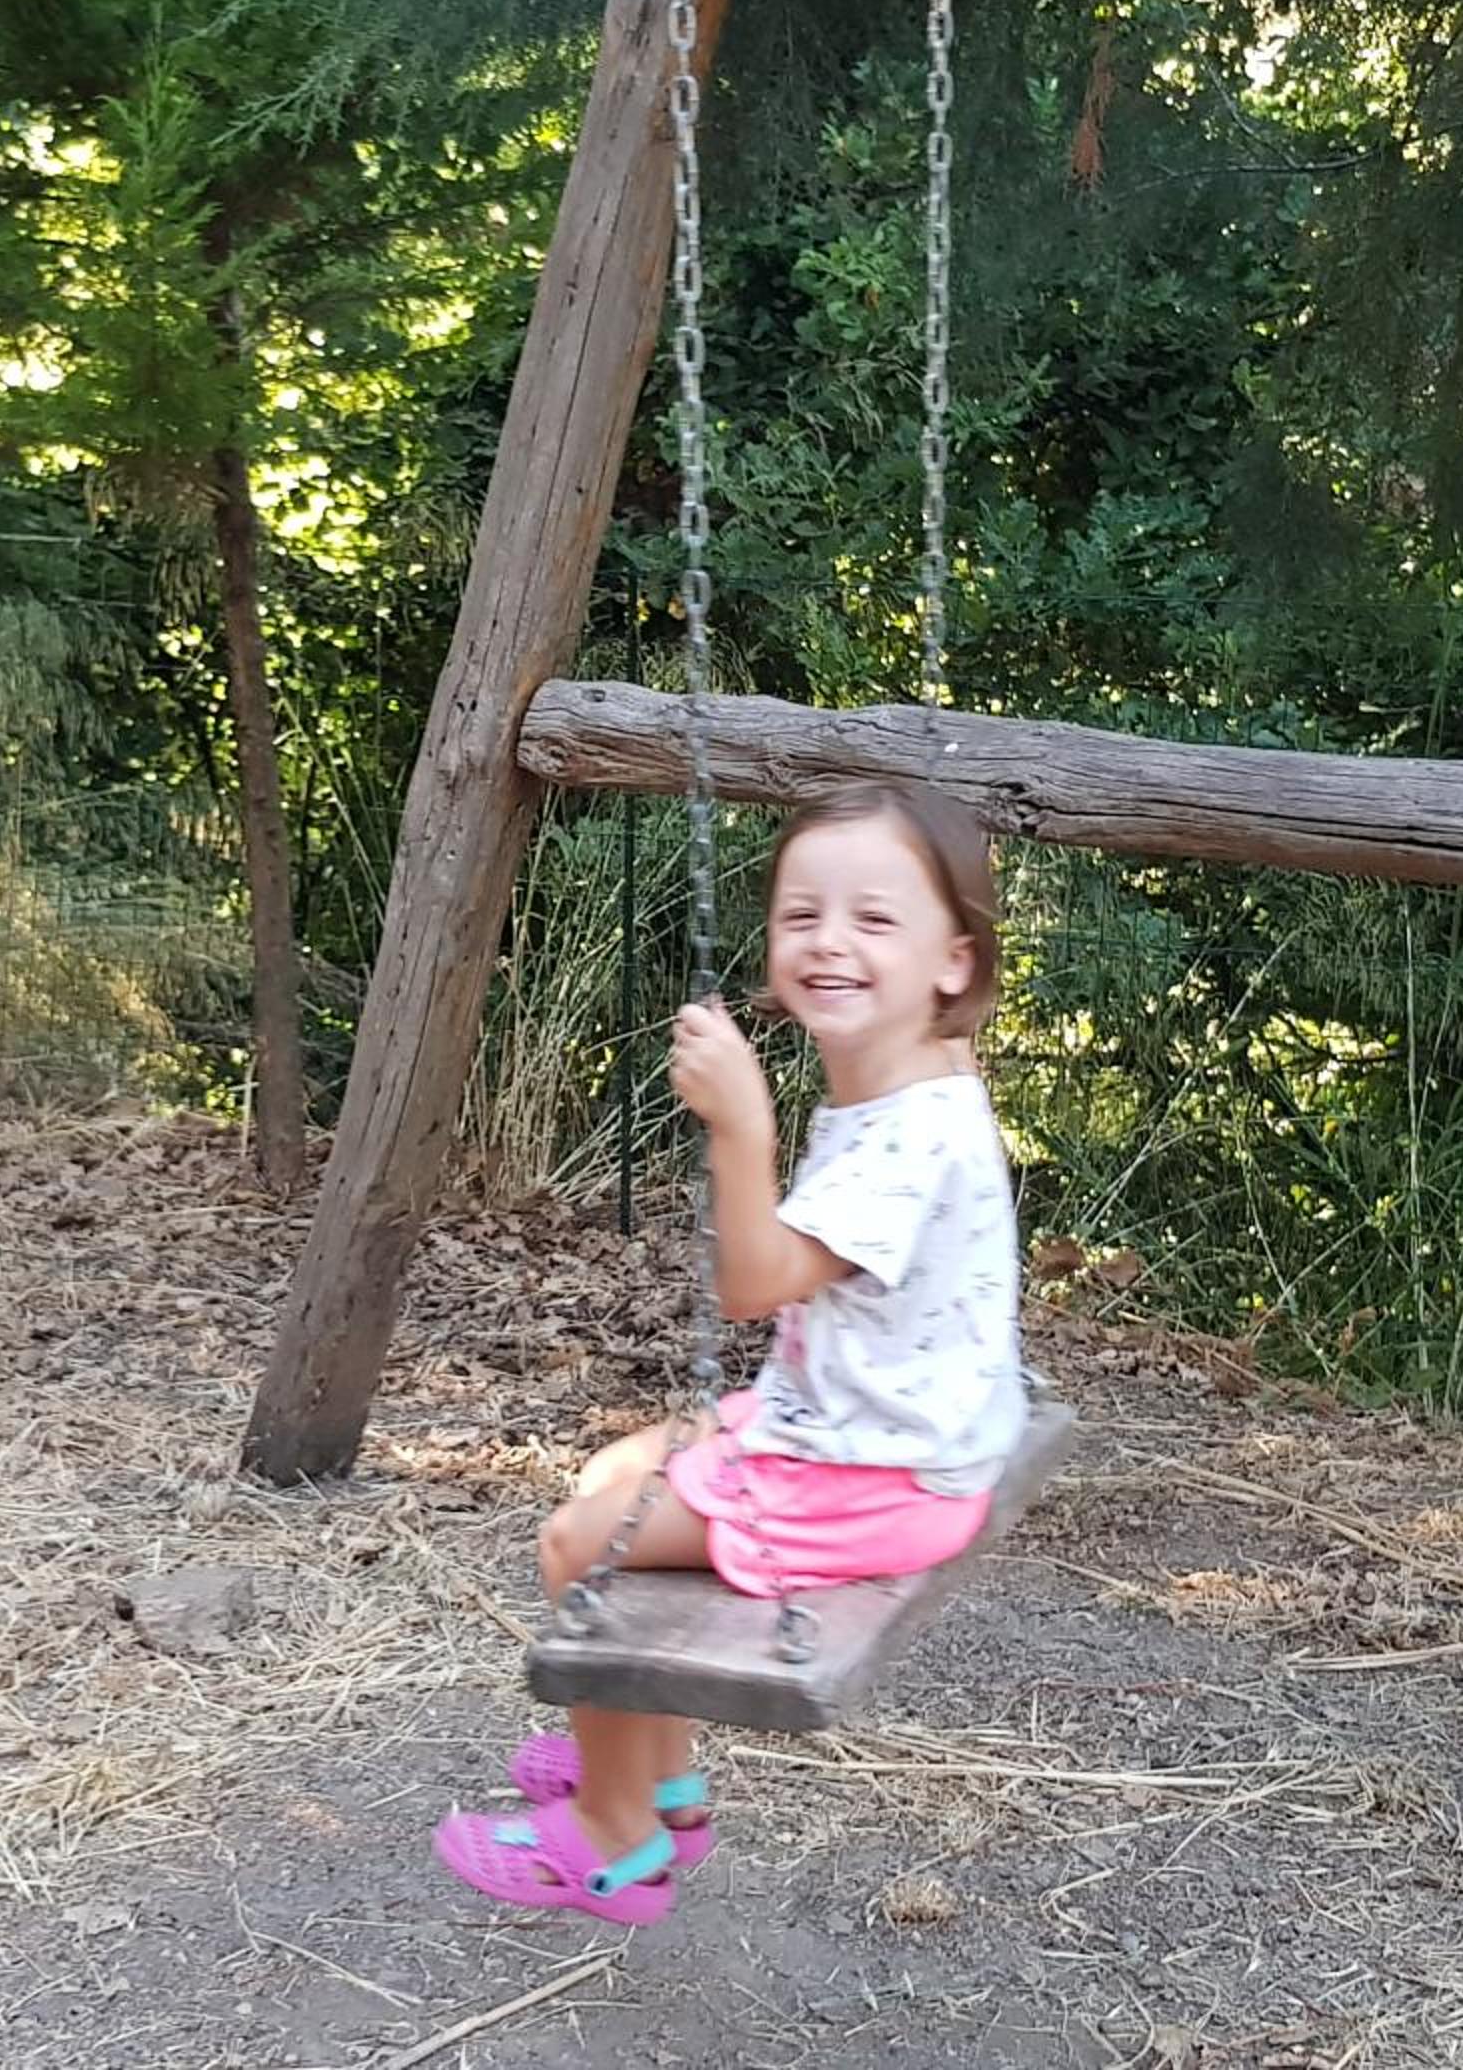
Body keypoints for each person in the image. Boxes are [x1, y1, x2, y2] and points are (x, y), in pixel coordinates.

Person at [433, 782, 1029, 1927]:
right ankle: (662, 1780)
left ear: (953, 962)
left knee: (578, 1546)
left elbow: (754, 1286)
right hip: (876, 1424)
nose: (831, 941)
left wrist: (739, 1125)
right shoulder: (924, 1073)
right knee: (615, 1468)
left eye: (874, 918)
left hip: (876, 1475)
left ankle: (615, 1839)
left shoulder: (907, 1138)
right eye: (803, 914)